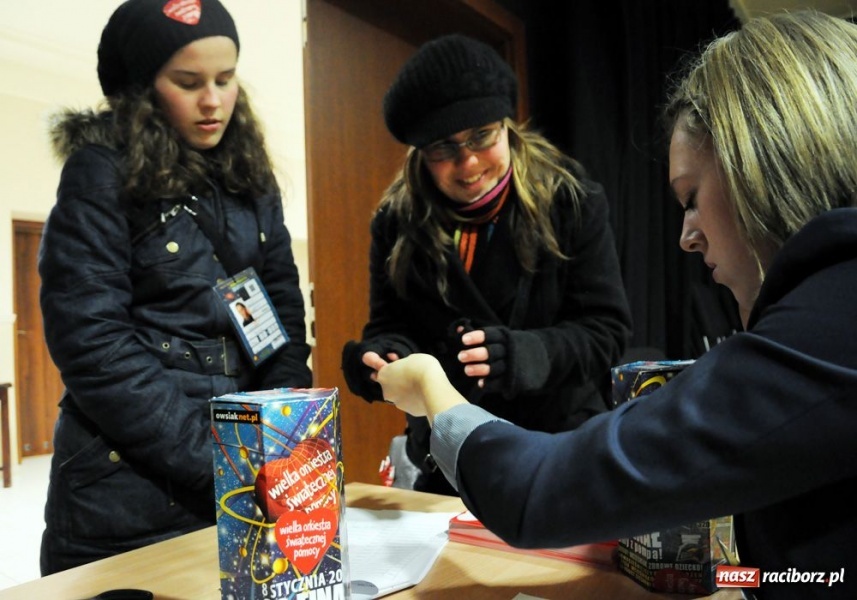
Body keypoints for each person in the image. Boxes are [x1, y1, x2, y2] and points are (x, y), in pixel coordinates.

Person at [375, 11, 857, 600]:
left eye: (692, 199)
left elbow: (537, 487)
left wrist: (430, 382)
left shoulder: (832, 322)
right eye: (445, 151)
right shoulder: (395, 222)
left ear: (764, 169)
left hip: (544, 468)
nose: (686, 237)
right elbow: (796, 575)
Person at [38, 0, 312, 574]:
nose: (213, 100)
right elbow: (92, 344)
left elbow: (279, 319)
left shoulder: (251, 179)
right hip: (124, 492)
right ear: (142, 89)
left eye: (226, 79)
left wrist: (279, 437)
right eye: (188, 83)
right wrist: (221, 459)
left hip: (241, 476)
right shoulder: (100, 172)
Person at [340, 34, 632, 495]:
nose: (469, 162)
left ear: (507, 126)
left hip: (555, 452)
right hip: (448, 461)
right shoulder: (396, 222)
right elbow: (389, 324)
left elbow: (606, 331)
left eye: (482, 137)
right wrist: (381, 359)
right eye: (443, 148)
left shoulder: (570, 200)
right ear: (420, 153)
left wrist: (523, 355)